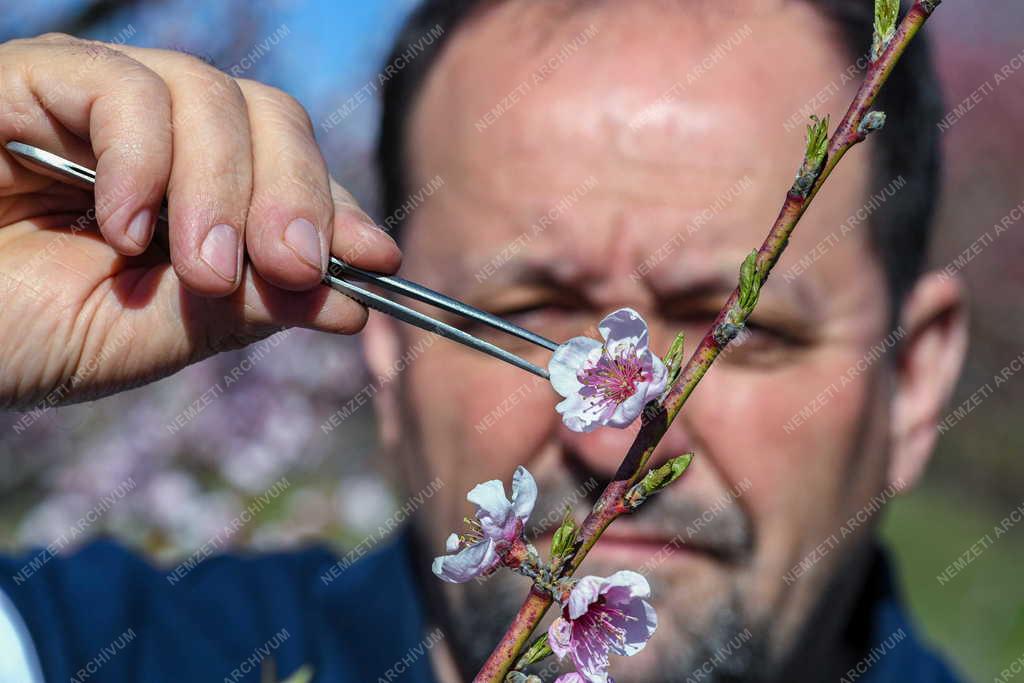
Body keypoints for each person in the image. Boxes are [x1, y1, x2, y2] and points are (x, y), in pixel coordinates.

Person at [0, 1, 968, 681]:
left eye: (741, 329)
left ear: (916, 380)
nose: (614, 441)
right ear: (385, 352)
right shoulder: (97, 651)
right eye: (531, 305)